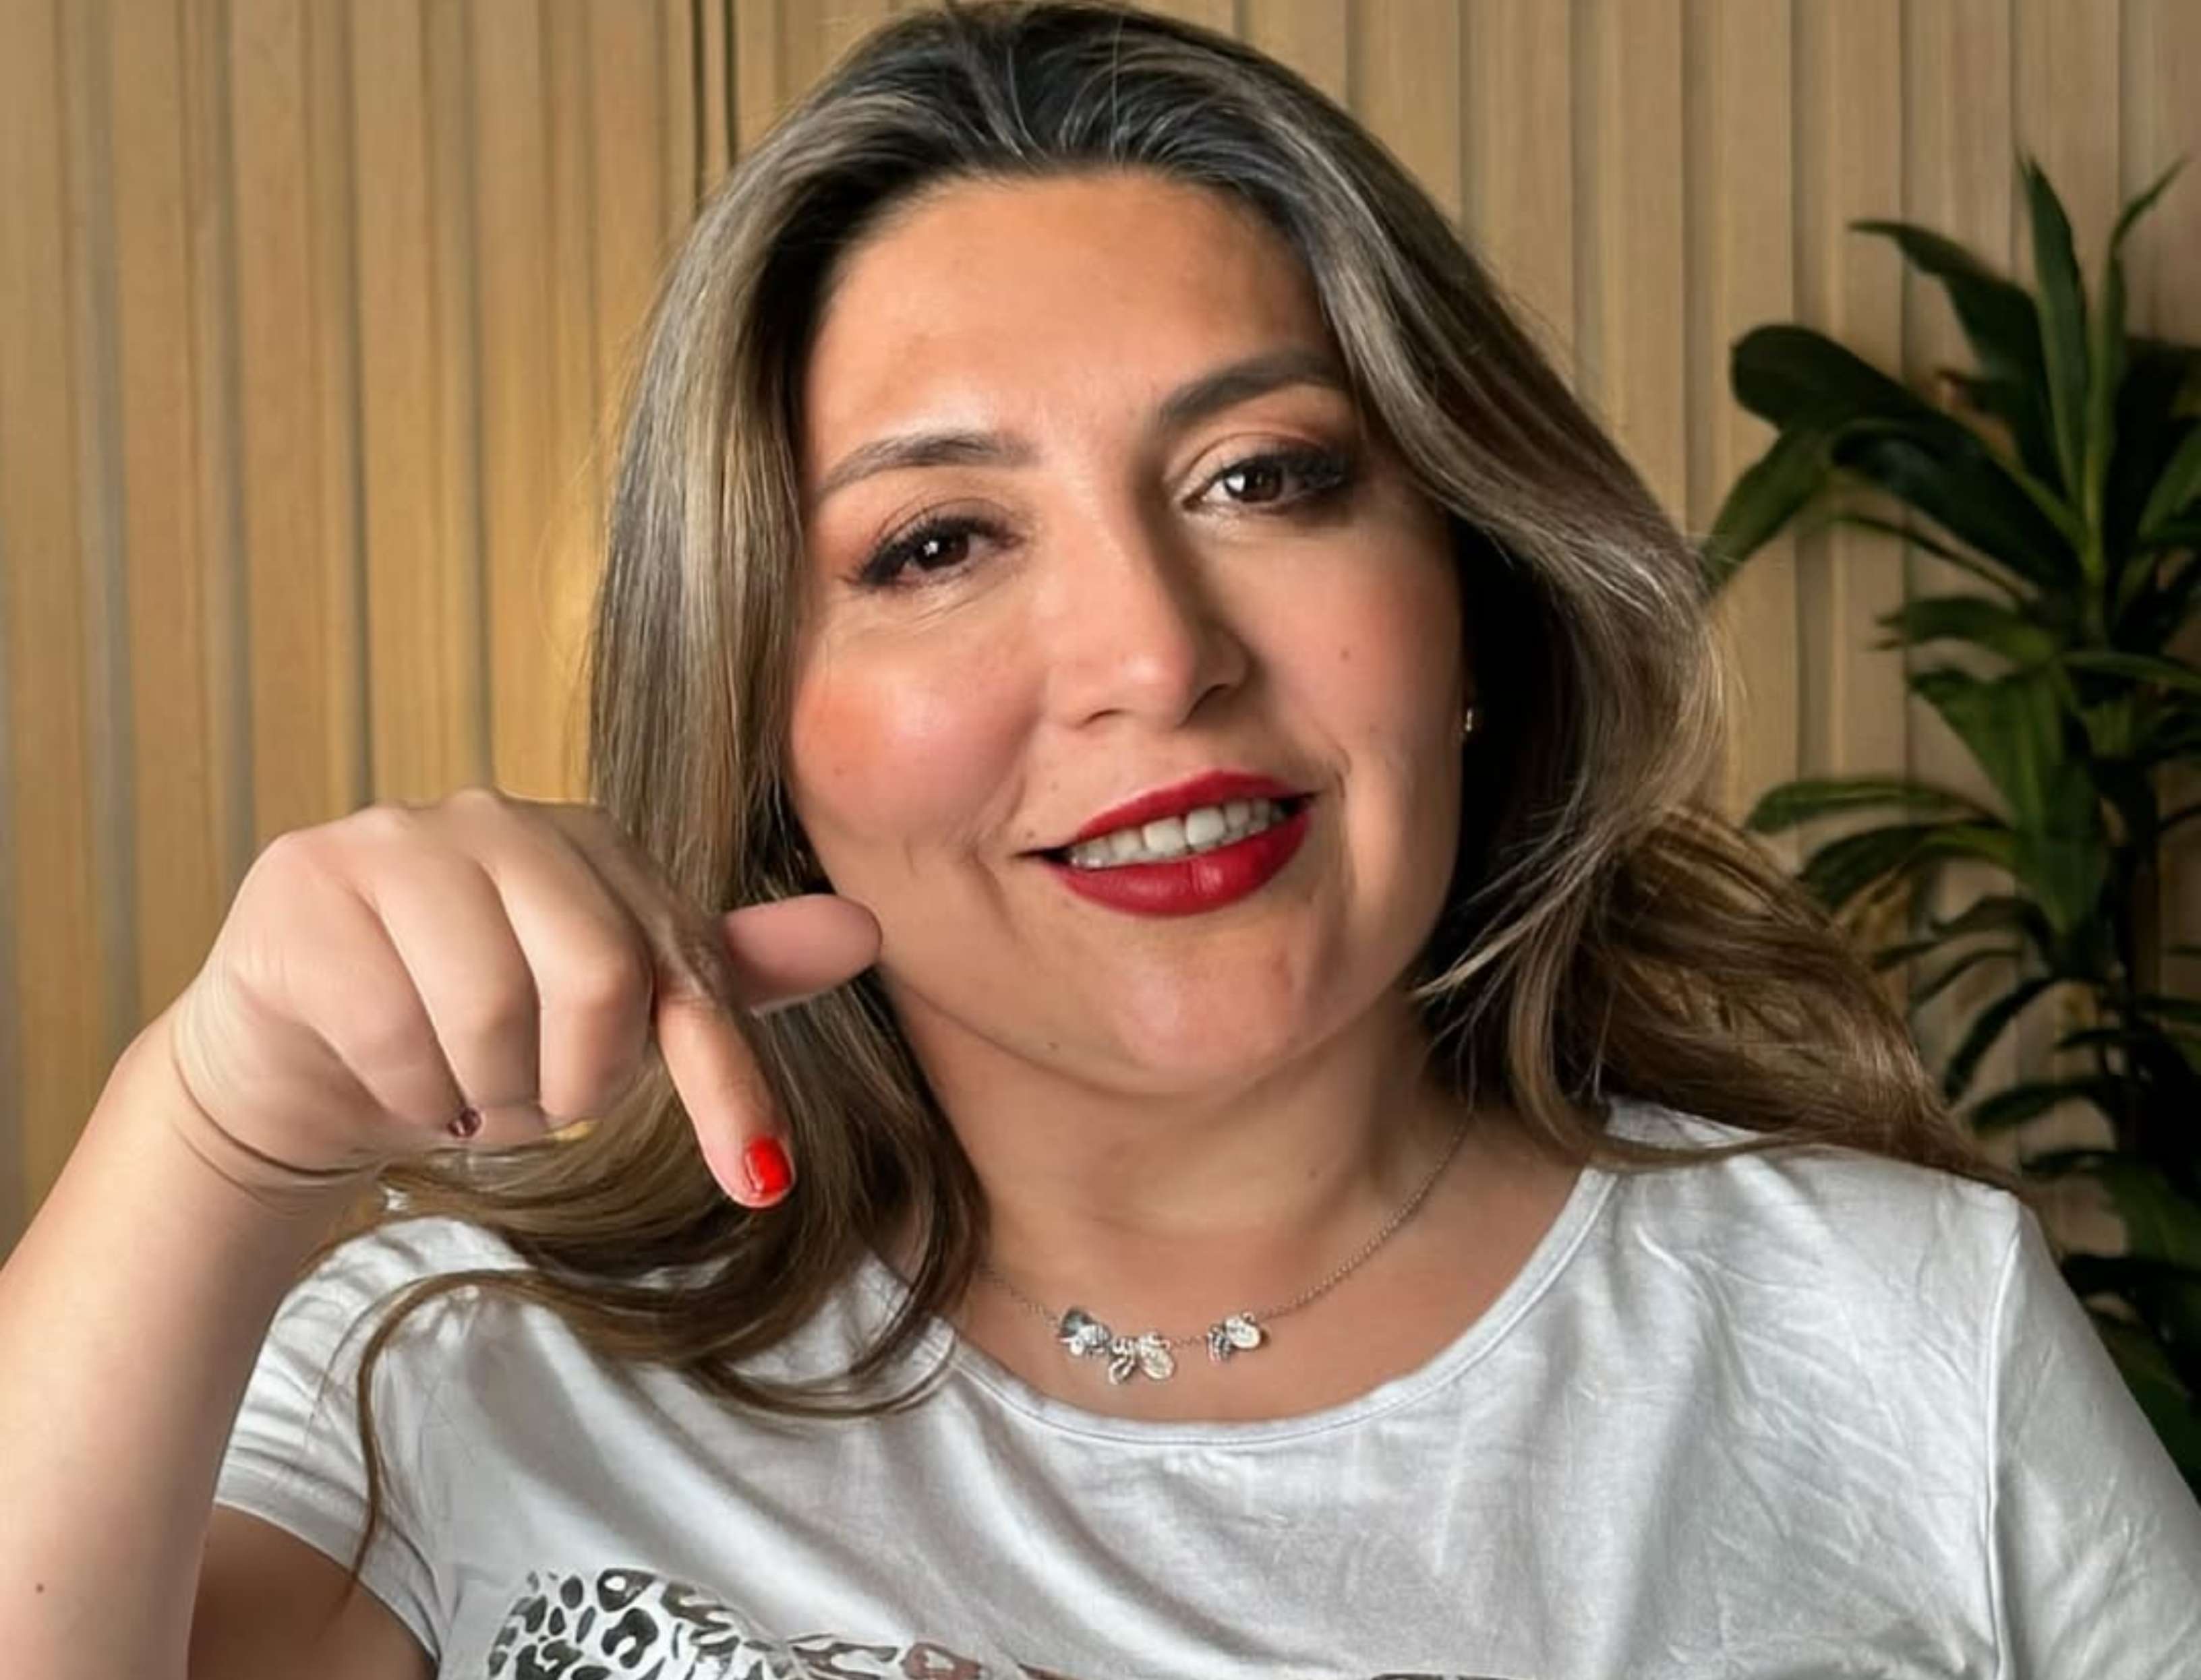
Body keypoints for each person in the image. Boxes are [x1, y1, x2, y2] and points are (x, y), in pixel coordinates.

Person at [5, 2, 2198, 1675]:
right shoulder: (458, 1376)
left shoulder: (1905, 1330)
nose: (1154, 655)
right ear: (764, 728)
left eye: (1266, 477)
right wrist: (214, 1122)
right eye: (938, 541)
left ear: (1471, 593)